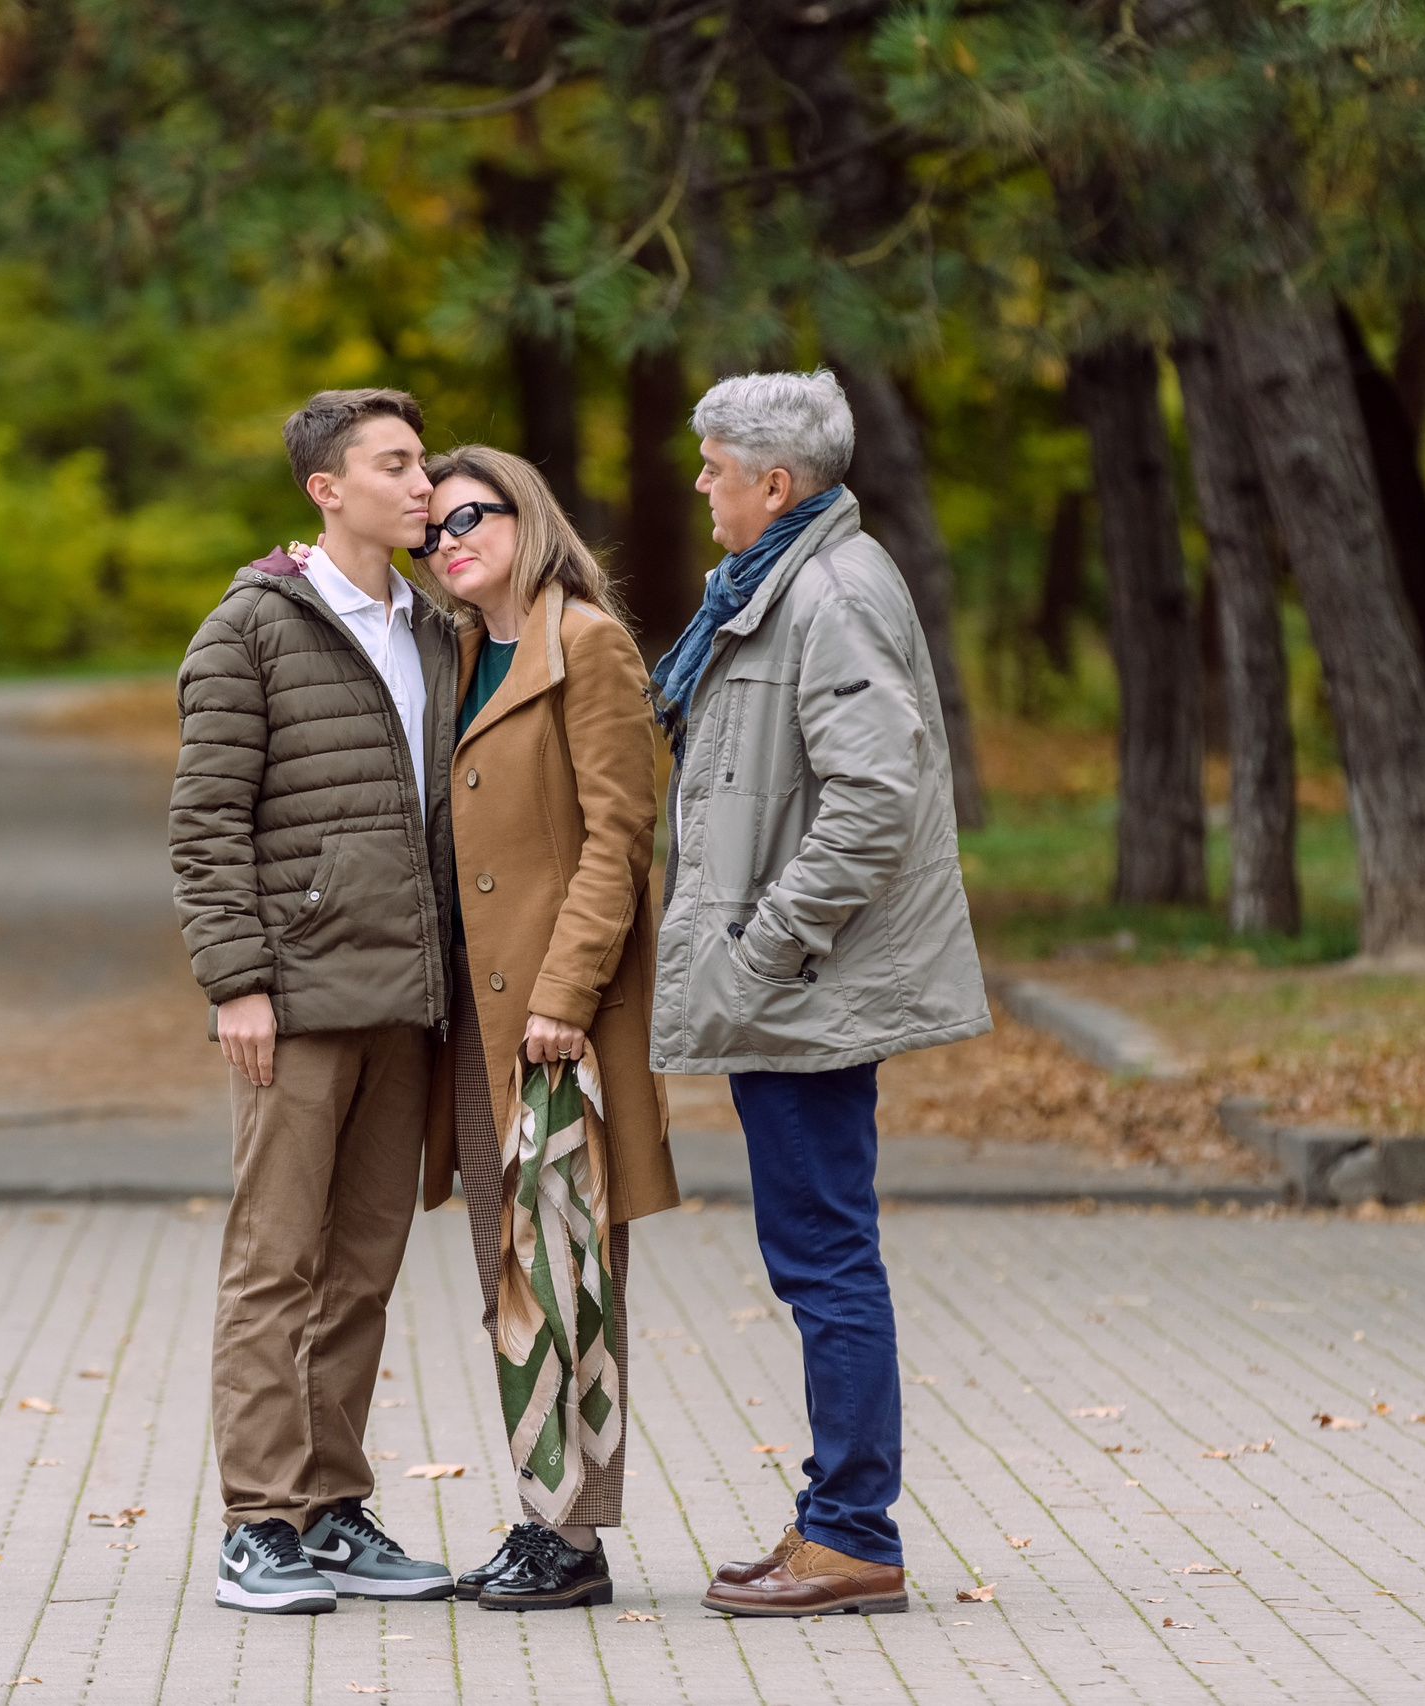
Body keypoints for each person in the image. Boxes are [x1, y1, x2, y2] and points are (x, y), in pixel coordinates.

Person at [646, 370, 989, 1617]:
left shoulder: (829, 591)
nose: (700, 482)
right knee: (819, 1258)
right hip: (790, 986)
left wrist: (764, 947)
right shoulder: (780, 583)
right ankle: (833, 1522)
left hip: (803, 993)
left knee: (826, 1261)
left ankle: (851, 1534)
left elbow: (872, 800)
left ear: (773, 483)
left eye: (715, 464)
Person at [170, 387, 461, 1615]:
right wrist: (237, 980)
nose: (422, 485)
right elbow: (203, 824)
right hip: (293, 999)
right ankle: (258, 1524)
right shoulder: (250, 629)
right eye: (394, 465)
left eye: (424, 463)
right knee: (271, 1264)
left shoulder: (437, 627)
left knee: (361, 1267)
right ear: (325, 490)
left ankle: (333, 1508)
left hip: (407, 996)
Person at [413, 444, 680, 1612]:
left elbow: (622, 837)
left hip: (557, 1025)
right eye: (429, 533)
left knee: (569, 1271)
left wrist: (567, 994)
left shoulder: (586, 642)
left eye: (468, 515)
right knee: (505, 1272)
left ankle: (570, 1539)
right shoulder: (467, 649)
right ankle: (544, 1516)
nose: (447, 540)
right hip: (478, 1020)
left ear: (526, 511)